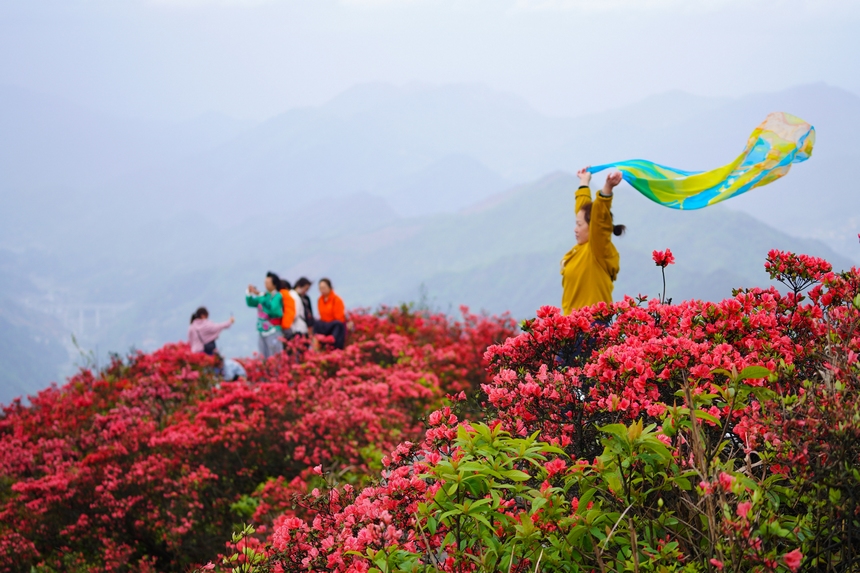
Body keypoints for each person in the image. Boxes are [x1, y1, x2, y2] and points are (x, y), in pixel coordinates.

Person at [560, 167, 626, 315]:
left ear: (593, 227)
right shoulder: (582, 248)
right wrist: (584, 181)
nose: (575, 229)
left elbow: (599, 219)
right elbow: (583, 209)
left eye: (579, 225)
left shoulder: (598, 249)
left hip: (593, 328)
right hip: (572, 326)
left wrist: (607, 189)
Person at [245, 271, 284, 359]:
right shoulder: (264, 295)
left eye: (267, 282)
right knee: (263, 356)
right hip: (262, 330)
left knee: (274, 355)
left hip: (273, 330)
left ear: (274, 284)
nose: (265, 285)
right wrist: (249, 293)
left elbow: (272, 309)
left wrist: (260, 296)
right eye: (265, 282)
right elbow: (251, 303)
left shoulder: (277, 296)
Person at [315, 278, 347, 350]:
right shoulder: (320, 300)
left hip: (335, 326)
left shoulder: (337, 299)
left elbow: (339, 318)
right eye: (320, 288)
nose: (322, 290)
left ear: (330, 287)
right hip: (325, 325)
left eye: (324, 288)